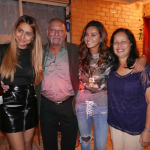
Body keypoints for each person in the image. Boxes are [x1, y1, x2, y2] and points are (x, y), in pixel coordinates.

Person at [75, 21, 147, 150]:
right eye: (86, 34)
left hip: (101, 105)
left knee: (100, 144)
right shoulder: (79, 55)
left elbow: (128, 57)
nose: (88, 38)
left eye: (93, 35)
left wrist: (143, 57)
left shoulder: (110, 56)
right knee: (84, 138)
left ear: (101, 37)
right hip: (83, 103)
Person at [35, 18, 79, 150]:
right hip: (46, 105)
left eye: (60, 31)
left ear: (65, 34)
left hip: (69, 104)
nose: (56, 34)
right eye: (53, 30)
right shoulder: (38, 52)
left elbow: (101, 55)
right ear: (47, 33)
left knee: (69, 143)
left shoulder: (76, 50)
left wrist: (142, 57)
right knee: (49, 143)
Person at [0, 15, 43, 150]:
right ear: (15, 30)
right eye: (20, 30)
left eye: (28, 33)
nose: (23, 36)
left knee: (27, 144)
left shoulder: (35, 54)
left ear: (33, 37)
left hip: (30, 102)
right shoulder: (2, 50)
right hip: (9, 104)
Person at [107, 28, 150, 150]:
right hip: (115, 123)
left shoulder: (142, 69)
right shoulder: (111, 67)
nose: (119, 45)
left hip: (135, 126)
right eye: (116, 42)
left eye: (123, 41)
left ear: (131, 43)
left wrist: (148, 129)